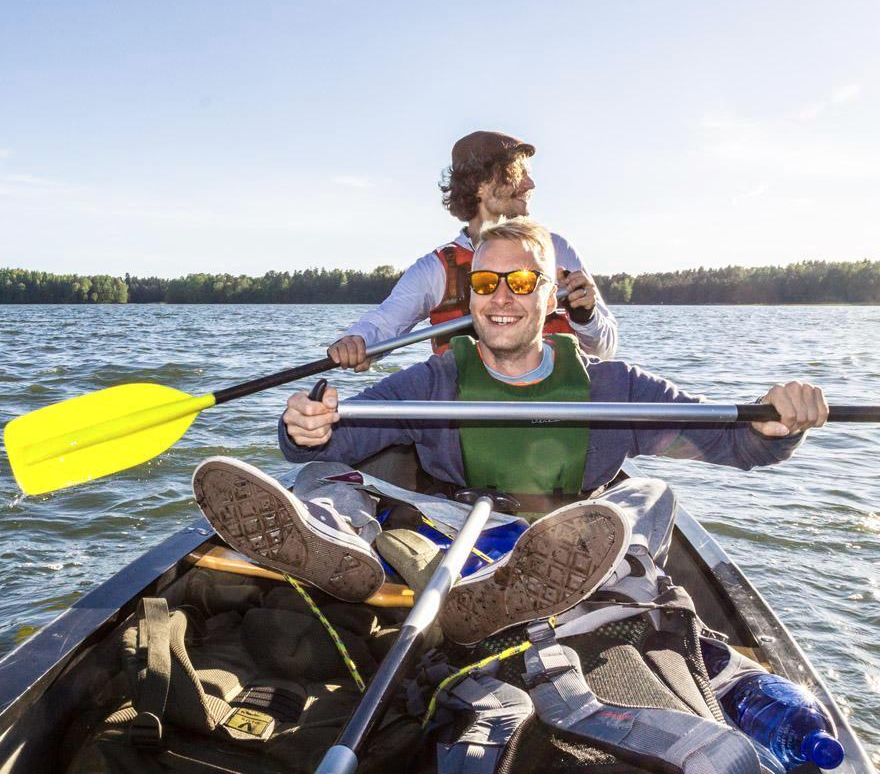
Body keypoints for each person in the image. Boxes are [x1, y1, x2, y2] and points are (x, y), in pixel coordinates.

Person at [192, 217, 827, 647]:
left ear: (551, 297)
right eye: (486, 283)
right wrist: (302, 428)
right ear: (469, 295)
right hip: (446, 521)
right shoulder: (436, 377)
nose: (502, 297)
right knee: (321, 474)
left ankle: (557, 582)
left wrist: (774, 424)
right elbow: (337, 439)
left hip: (568, 544)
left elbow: (736, 442)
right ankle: (343, 550)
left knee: (652, 494)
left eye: (522, 282)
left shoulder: (613, 385)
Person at [327, 131, 619, 370]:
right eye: (517, 173)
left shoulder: (558, 250)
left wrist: (586, 317)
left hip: (556, 413)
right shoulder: (435, 270)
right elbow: (381, 326)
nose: (531, 183)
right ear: (479, 183)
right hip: (469, 414)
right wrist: (355, 342)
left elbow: (605, 349)